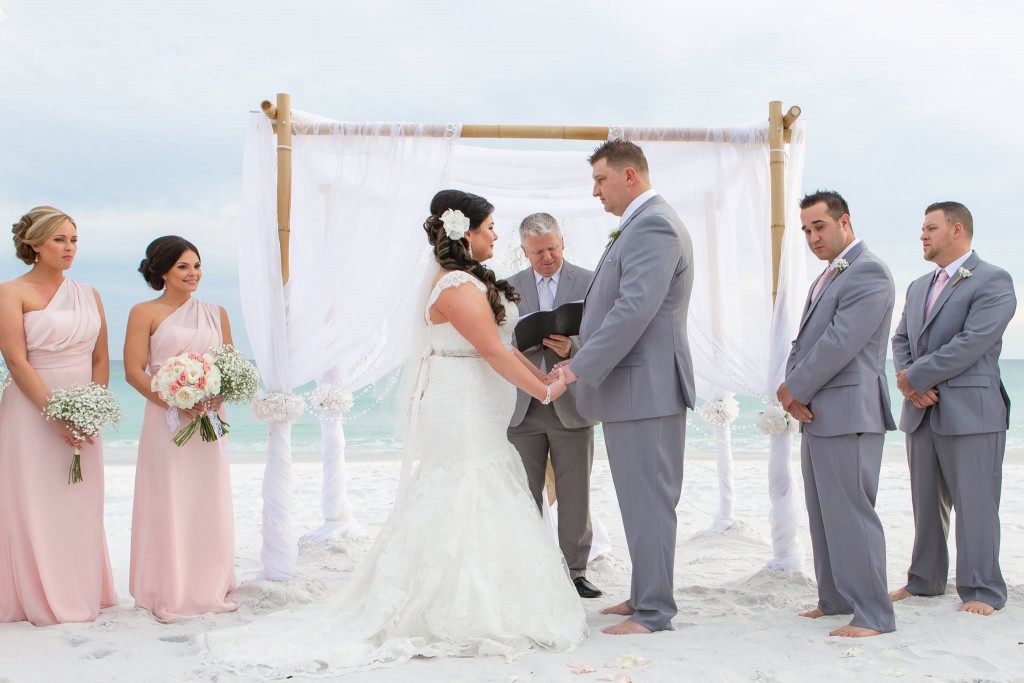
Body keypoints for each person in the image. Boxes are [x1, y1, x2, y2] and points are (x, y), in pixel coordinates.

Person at [203, 190, 586, 677]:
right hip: (461, 405)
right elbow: (493, 350)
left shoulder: (468, 281)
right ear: (465, 233)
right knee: (466, 485)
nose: (495, 235)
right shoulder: (455, 288)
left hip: (478, 402)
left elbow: (500, 349)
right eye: (489, 226)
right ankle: (454, 603)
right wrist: (546, 390)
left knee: (485, 485)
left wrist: (542, 384)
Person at [556, 140, 694, 635]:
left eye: (600, 180)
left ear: (629, 175)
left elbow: (634, 310)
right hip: (633, 389)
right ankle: (643, 595)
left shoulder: (653, 225)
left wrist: (576, 366)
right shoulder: (637, 225)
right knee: (638, 500)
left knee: (651, 500)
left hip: (647, 389)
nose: (595, 191)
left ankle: (655, 612)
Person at [777, 190, 896, 637]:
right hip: (819, 412)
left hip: (850, 409)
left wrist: (793, 389)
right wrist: (794, 389)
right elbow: (808, 341)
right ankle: (835, 599)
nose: (812, 237)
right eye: (806, 230)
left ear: (845, 221)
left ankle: (874, 614)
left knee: (852, 513)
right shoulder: (827, 276)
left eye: (819, 227)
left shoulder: (868, 272)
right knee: (823, 512)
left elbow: (840, 343)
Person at [889, 202, 1017, 616]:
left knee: (975, 503)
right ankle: (924, 580)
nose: (922, 235)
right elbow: (900, 339)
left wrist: (918, 377)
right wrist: (909, 379)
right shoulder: (917, 286)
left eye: (931, 228)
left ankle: (982, 589)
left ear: (957, 230)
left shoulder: (994, 281)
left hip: (972, 411)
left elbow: (973, 342)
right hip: (921, 409)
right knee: (925, 501)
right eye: (922, 228)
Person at [0, 206, 118, 625]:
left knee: (79, 498)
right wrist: (54, 415)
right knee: (34, 498)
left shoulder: (90, 293)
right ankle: (37, 595)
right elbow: (15, 360)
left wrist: (93, 408)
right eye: (59, 240)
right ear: (34, 245)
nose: (69, 248)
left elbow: (102, 356)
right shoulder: (11, 292)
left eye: (74, 240)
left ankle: (81, 587)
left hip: (84, 411)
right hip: (32, 412)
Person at [124, 235, 237, 622]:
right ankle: (168, 586)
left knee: (208, 497)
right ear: (163, 272)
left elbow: (229, 366)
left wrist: (212, 400)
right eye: (183, 267)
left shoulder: (216, 312)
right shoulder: (144, 312)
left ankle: (208, 582)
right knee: (169, 497)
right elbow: (133, 371)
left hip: (209, 418)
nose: (193, 274)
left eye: (197, 265)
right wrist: (174, 400)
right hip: (166, 420)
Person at [506, 212, 601, 599]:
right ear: (524, 251)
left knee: (576, 491)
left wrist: (573, 348)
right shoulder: (506, 287)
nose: (548, 257)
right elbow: (499, 341)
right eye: (538, 251)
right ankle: (525, 568)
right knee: (520, 492)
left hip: (572, 401)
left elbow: (604, 334)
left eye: (553, 248)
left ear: (562, 242)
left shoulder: (590, 280)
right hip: (522, 404)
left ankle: (575, 572)